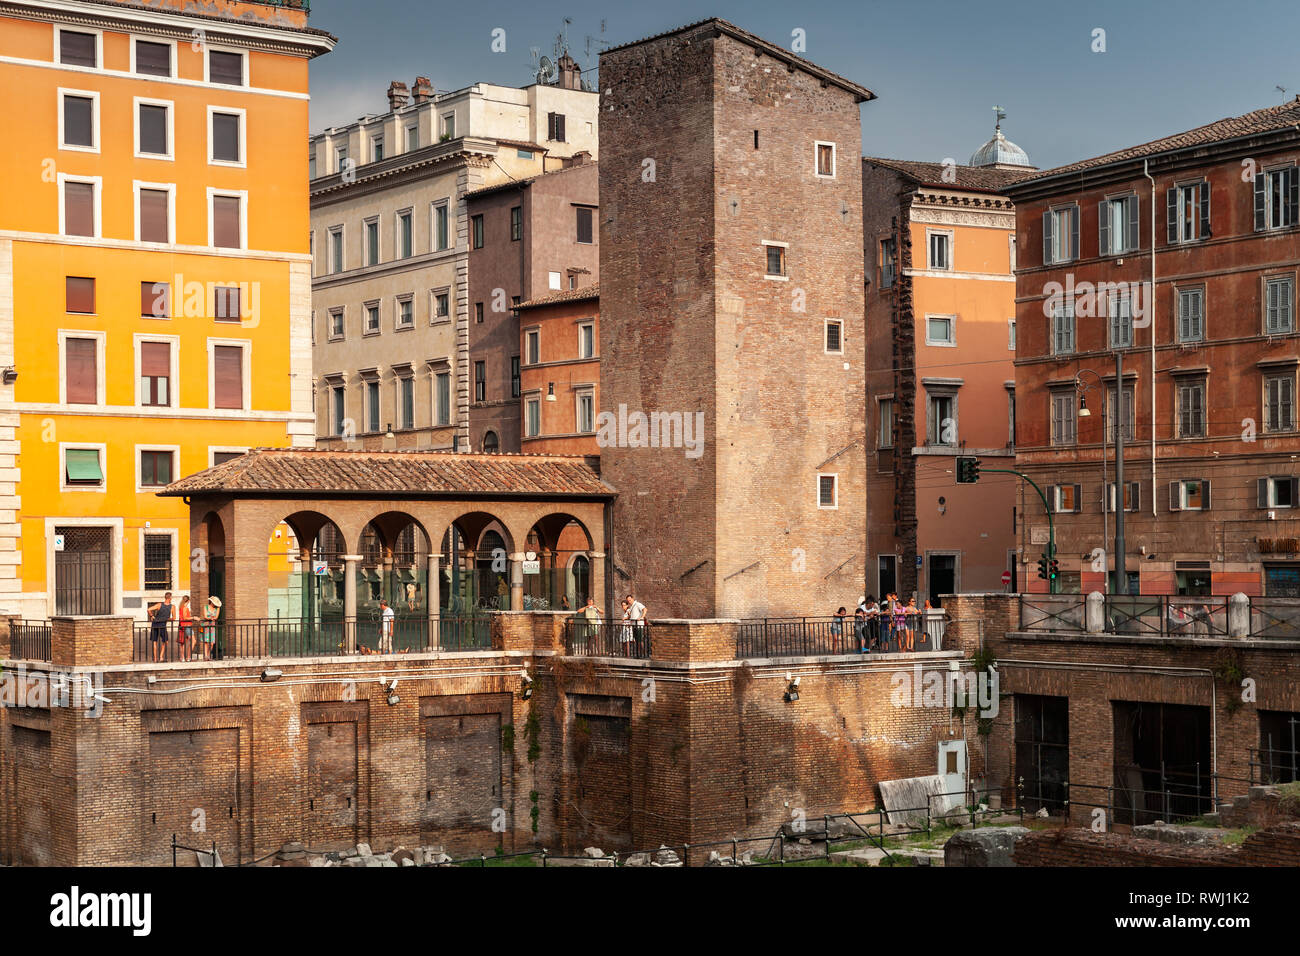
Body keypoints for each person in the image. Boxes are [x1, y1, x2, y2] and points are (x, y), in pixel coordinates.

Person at [147, 591, 173, 663]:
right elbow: (173, 618)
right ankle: (161, 657)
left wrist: (152, 616)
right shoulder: (172, 607)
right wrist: (166, 619)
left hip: (155, 624)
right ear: (170, 598)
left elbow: (148, 609)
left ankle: (155, 658)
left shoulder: (159, 605)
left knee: (155, 642)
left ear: (165, 597)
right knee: (165, 641)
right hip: (162, 625)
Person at [200, 596, 221, 660]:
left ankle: (208, 655)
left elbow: (216, 617)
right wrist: (211, 618)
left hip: (212, 626)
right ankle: (206, 656)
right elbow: (205, 616)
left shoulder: (217, 609)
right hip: (206, 625)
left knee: (211, 643)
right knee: (206, 642)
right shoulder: (206, 607)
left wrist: (211, 618)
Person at [177, 595, 193, 662]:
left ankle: (182, 657)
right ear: (188, 601)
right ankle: (188, 657)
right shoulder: (185, 608)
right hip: (187, 625)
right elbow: (185, 617)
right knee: (193, 641)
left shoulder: (181, 607)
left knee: (183, 643)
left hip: (182, 625)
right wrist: (193, 617)